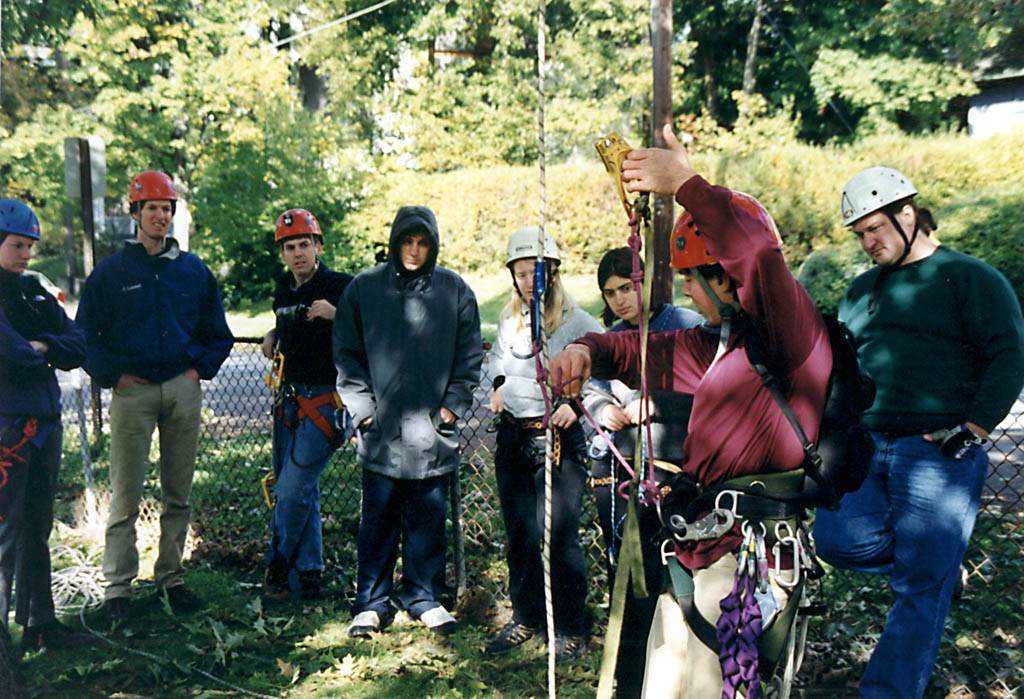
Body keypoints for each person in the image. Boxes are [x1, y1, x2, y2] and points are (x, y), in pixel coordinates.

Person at [548, 125, 831, 697]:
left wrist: (689, 186)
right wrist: (587, 349)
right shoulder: (717, 345)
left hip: (744, 559)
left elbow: (758, 257)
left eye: (691, 280)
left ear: (724, 277)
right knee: (662, 682)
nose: (686, 295)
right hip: (699, 548)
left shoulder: (791, 339)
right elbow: (640, 350)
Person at [813, 167, 1024, 698]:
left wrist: (974, 427)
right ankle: (937, 564)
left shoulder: (970, 278)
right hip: (864, 444)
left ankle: (886, 692)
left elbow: (1008, 354)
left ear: (908, 214)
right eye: (859, 234)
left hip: (938, 451)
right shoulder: (862, 290)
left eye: (874, 229)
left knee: (917, 590)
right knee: (836, 541)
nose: (867, 243)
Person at [76, 171, 233, 619]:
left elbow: (216, 332)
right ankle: (118, 590)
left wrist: (197, 369)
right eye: (151, 209)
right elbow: (86, 335)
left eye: (166, 209)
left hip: (182, 390)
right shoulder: (111, 272)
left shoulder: (192, 270)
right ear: (135, 214)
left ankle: (171, 578)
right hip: (133, 393)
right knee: (125, 495)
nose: (160, 216)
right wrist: (114, 376)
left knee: (177, 492)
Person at [333, 205, 481, 638]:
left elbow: (470, 355)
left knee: (427, 520)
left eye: (423, 243)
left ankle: (424, 597)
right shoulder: (364, 289)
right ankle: (371, 603)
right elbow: (346, 354)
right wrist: (362, 413)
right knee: (377, 521)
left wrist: (451, 407)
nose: (414, 250)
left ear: (433, 246)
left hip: (432, 433)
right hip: (381, 432)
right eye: (407, 242)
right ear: (394, 243)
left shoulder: (454, 290)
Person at [583, 247, 702, 694]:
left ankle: (681, 675)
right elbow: (592, 389)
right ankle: (630, 678)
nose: (619, 300)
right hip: (624, 469)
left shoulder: (686, 325)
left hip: (680, 472)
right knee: (630, 577)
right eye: (610, 293)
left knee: (677, 580)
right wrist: (604, 406)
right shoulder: (612, 337)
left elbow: (709, 394)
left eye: (626, 289)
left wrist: (657, 407)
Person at [484, 227, 603, 660]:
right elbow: (498, 359)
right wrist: (497, 386)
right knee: (521, 534)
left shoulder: (579, 322)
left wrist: (578, 403)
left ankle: (570, 625)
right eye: (520, 272)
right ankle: (526, 616)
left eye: (537, 271)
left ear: (553, 274)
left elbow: (604, 371)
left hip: (555, 442)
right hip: (514, 437)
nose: (528, 280)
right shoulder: (509, 319)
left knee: (560, 536)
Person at [0, 200, 89, 651]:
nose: (26, 254)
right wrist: (45, 349)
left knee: (38, 526)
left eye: (31, 246)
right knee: (5, 530)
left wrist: (43, 346)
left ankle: (39, 622)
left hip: (46, 425)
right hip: (8, 428)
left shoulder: (34, 289)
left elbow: (79, 344)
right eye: (17, 245)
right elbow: (11, 354)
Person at [260, 209, 353, 601]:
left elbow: (375, 330)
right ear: (282, 253)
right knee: (303, 489)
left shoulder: (341, 286)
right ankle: (309, 574)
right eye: (290, 247)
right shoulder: (285, 290)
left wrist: (340, 316)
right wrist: (272, 333)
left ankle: (278, 566)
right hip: (291, 399)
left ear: (318, 247)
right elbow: (290, 324)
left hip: (328, 402)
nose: (298, 253)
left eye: (304, 245)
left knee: (292, 488)